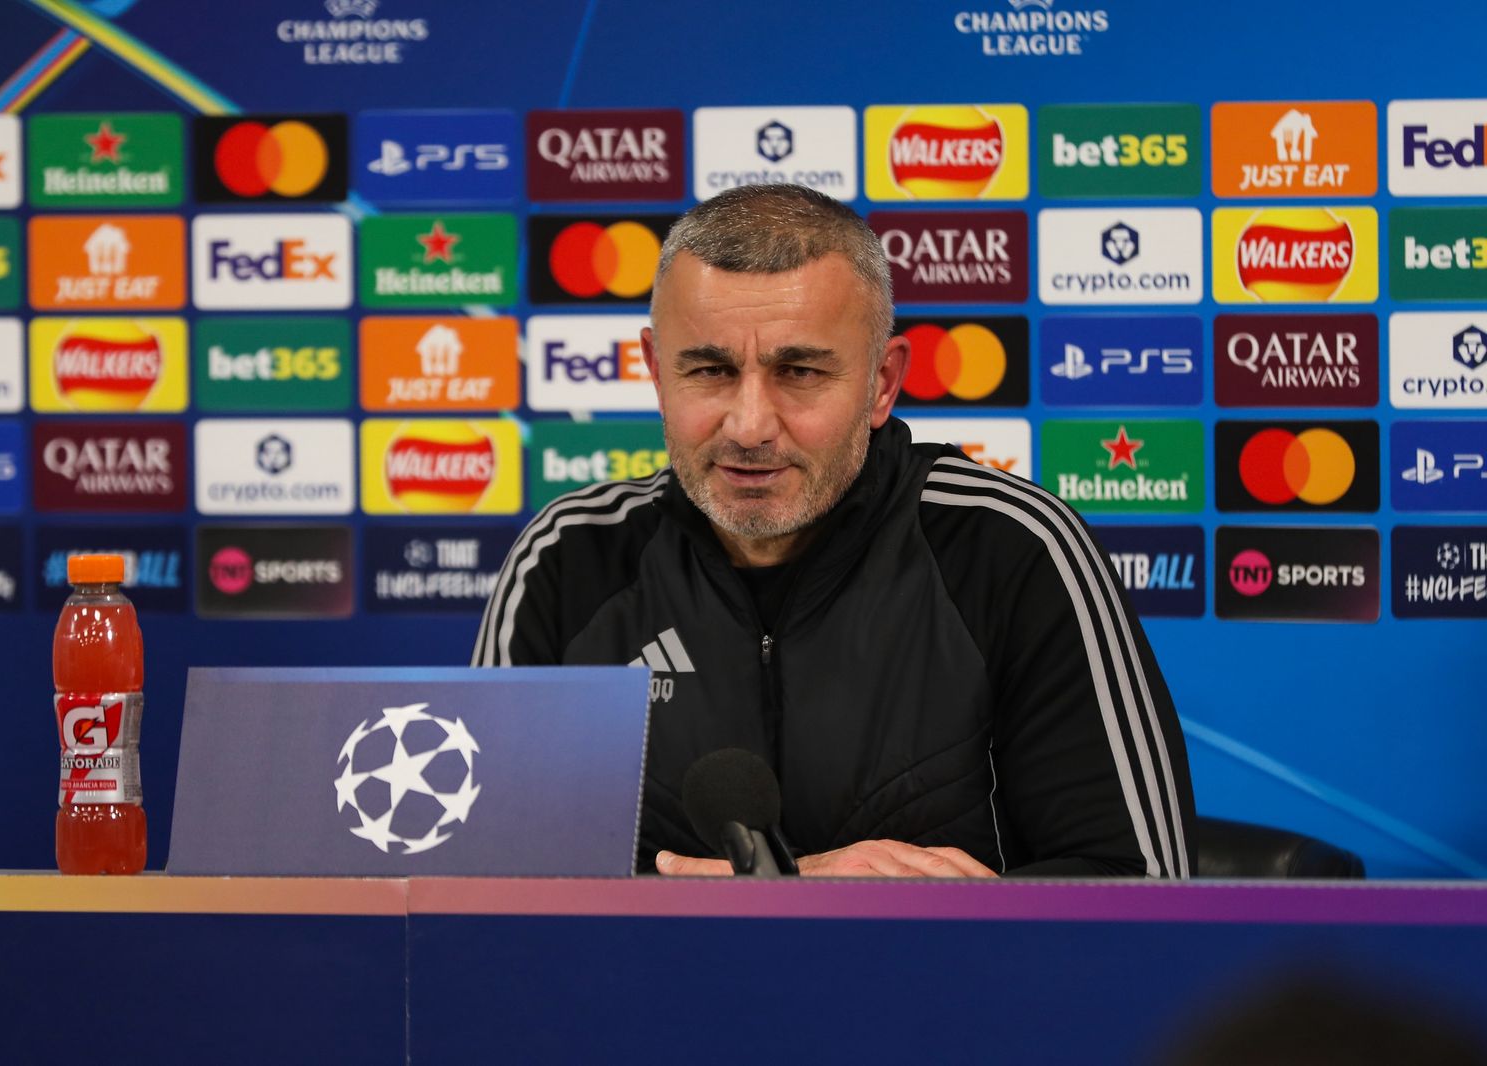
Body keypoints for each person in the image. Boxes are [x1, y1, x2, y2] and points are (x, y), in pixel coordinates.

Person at [474, 184, 1194, 878]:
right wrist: (792, 890)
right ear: (658, 373)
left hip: (934, 970)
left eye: (798, 372)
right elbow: (478, 878)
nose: (749, 425)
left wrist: (860, 917)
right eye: (711, 370)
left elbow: (1144, 886)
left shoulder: (1013, 550)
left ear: (882, 383)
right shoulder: (566, 561)